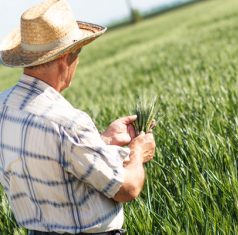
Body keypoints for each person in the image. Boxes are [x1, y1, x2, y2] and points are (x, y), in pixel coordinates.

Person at [0, 0, 156, 234]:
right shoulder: (67, 122)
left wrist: (105, 140)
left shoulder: (3, 106)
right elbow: (127, 188)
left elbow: (53, 156)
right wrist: (138, 153)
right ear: (67, 57)